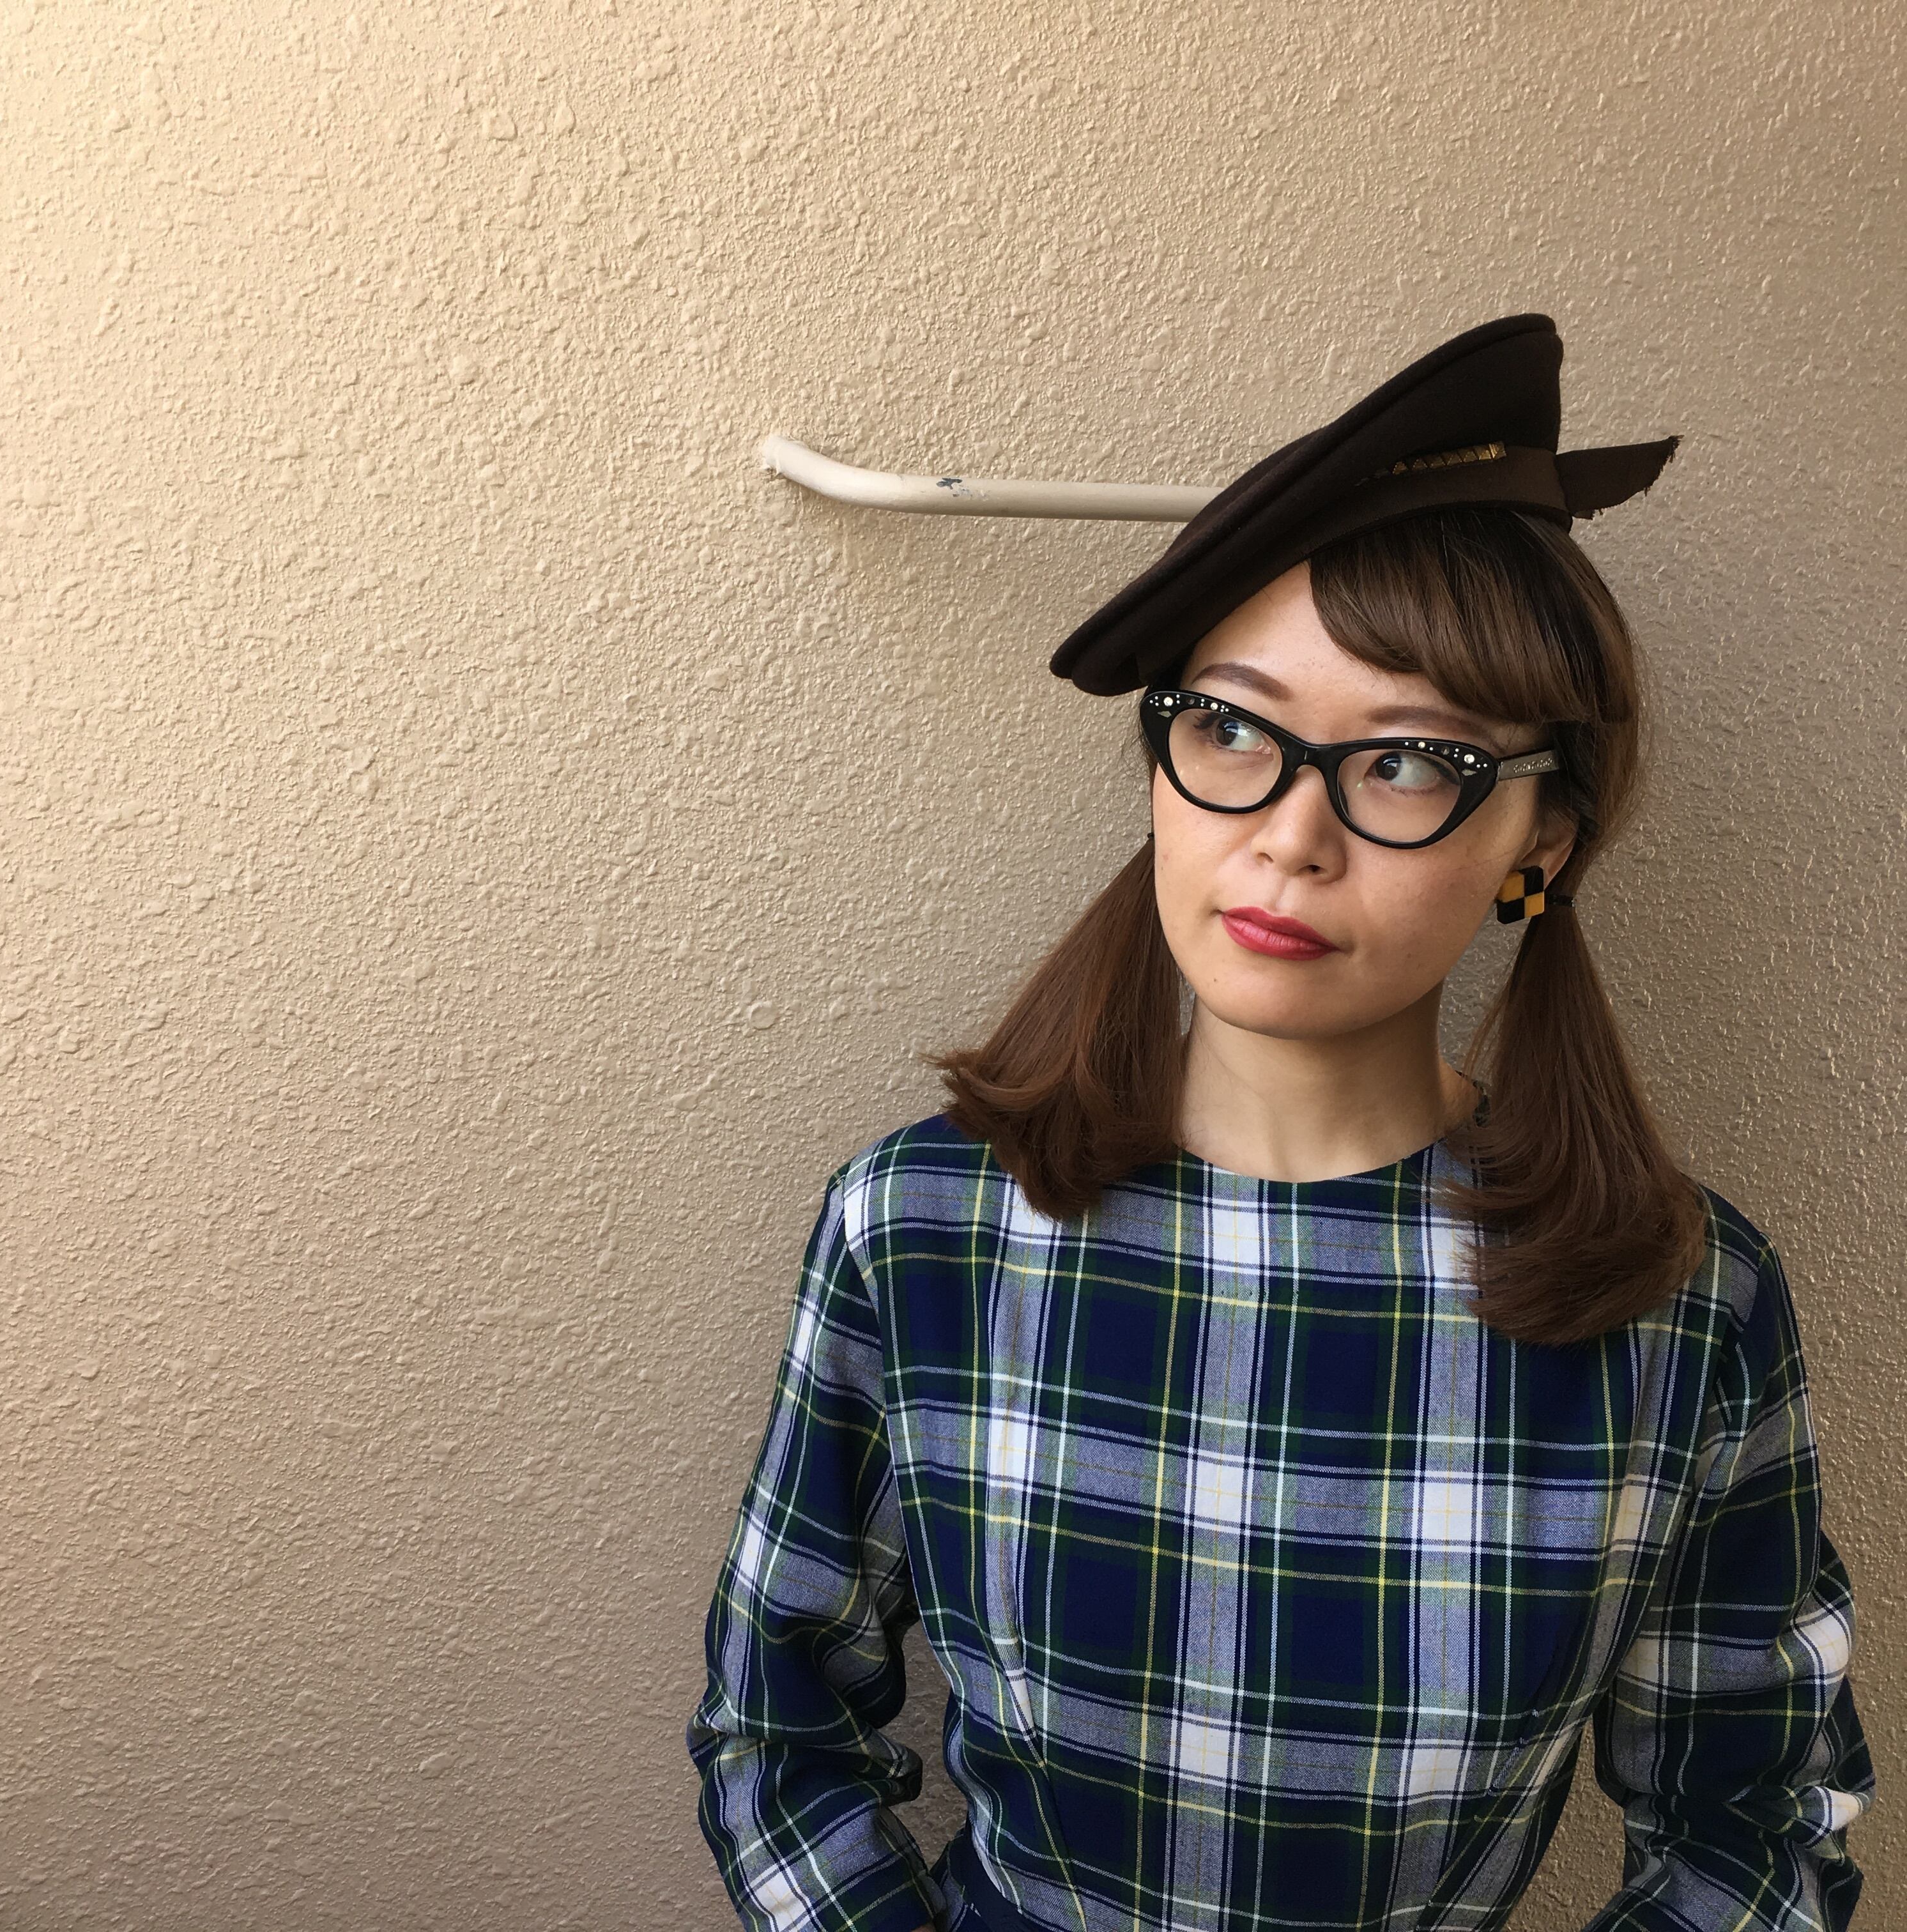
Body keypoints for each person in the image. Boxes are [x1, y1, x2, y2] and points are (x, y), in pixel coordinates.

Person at [686, 315, 1874, 1932]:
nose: (1292, 838)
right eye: (1234, 729)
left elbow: (1757, 1821)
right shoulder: (921, 1230)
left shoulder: (1684, 1305)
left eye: (1412, 763)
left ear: (1541, 843)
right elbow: (777, 1732)